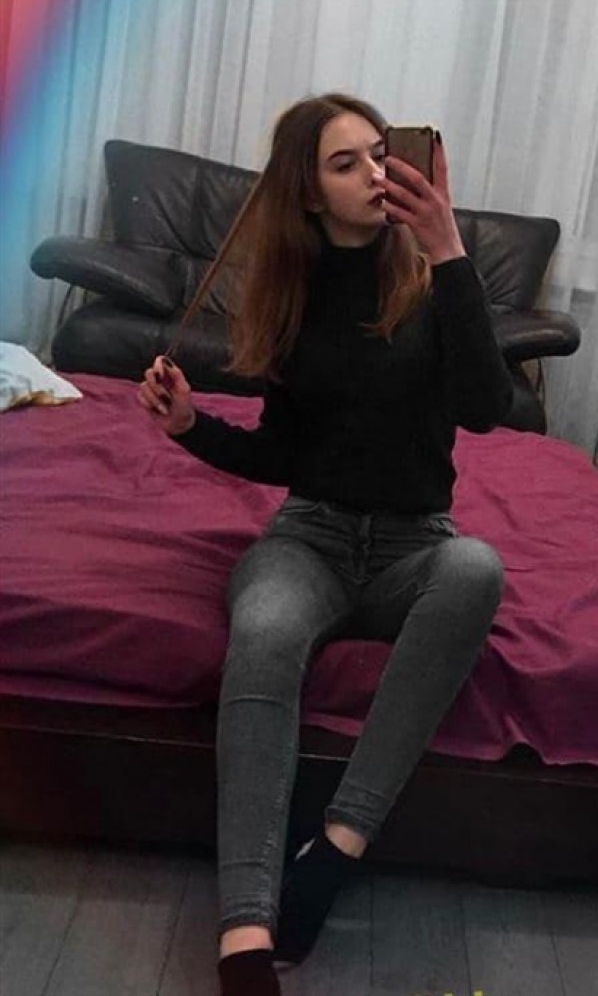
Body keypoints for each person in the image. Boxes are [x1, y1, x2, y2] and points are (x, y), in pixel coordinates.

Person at [137, 92, 514, 996]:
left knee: (476, 567)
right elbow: (283, 455)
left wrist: (449, 249)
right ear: (308, 193)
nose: (376, 173)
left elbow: (486, 409)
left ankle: (337, 846)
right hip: (309, 538)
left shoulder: (430, 280)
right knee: (264, 633)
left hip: (415, 546)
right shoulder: (292, 296)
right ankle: (244, 930)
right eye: (347, 163)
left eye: (381, 152)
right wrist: (189, 426)